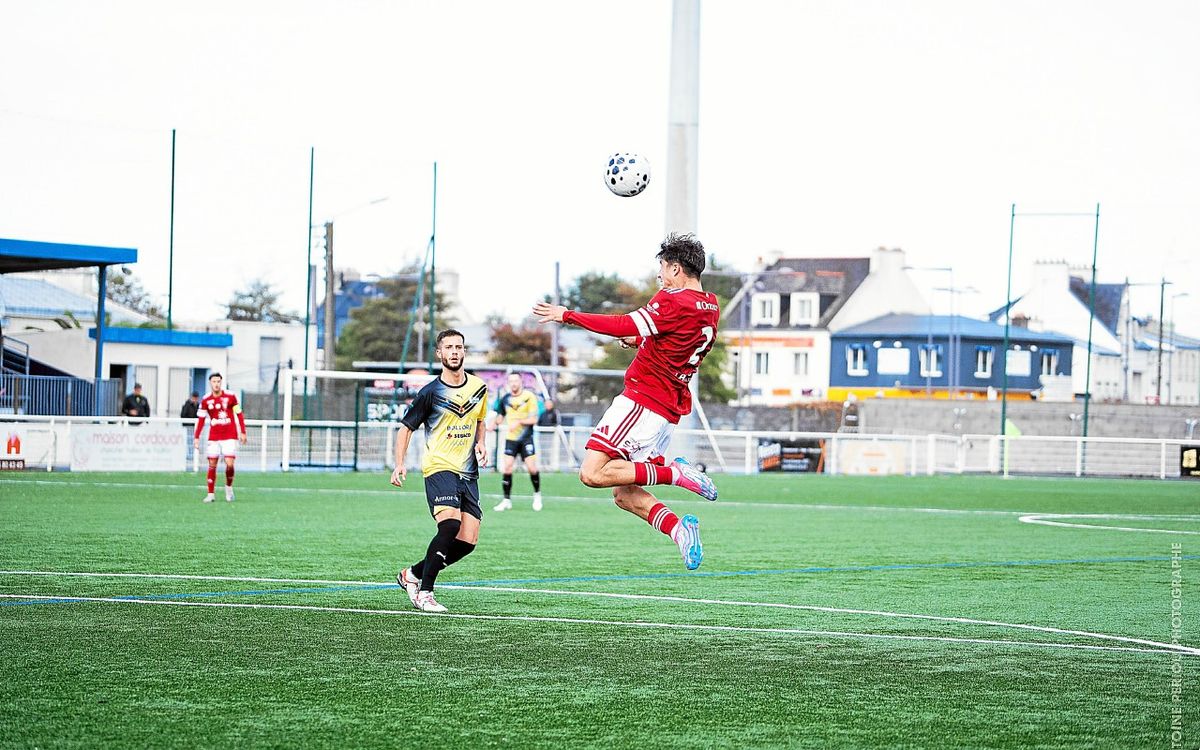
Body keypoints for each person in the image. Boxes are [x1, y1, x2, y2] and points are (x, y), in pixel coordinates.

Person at [533, 233, 720, 570]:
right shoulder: (710, 304)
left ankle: (674, 473)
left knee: (591, 473)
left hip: (643, 402)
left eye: (663, 269)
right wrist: (640, 340)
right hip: (665, 409)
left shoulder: (673, 301)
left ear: (677, 268)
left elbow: (622, 322)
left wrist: (567, 315)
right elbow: (674, 339)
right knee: (623, 494)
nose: (660, 277)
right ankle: (681, 531)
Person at [391, 329, 490, 613]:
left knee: (468, 541)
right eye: (449, 347)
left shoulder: (479, 388)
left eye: (459, 347)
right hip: (438, 466)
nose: (455, 352)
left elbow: (480, 419)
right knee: (449, 525)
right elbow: (405, 428)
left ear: (464, 351)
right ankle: (426, 592)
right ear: (440, 354)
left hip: (468, 471)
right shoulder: (430, 393)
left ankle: (411, 575)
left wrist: (481, 443)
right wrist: (400, 463)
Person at [490, 372, 543, 512]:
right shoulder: (505, 399)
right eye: (511, 381)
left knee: (532, 468)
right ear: (508, 383)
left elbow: (534, 419)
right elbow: (500, 417)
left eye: (516, 381)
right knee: (507, 467)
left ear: (521, 382)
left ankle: (537, 495)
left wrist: (519, 422)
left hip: (526, 438)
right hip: (511, 439)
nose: (513, 383)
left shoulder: (529, 397)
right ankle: (506, 500)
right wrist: (491, 425)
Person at [193, 373, 247, 503]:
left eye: (218, 381)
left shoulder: (230, 396)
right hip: (214, 436)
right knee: (212, 463)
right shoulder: (206, 400)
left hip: (229, 435)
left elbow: (239, 414)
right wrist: (196, 437)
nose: (216, 384)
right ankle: (210, 494)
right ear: (210, 383)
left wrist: (243, 431)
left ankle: (228, 487)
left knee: (229, 463)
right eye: (214, 381)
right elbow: (200, 420)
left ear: (221, 382)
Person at [180, 391, 200, 461]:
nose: (195, 399)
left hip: (195, 427)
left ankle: (193, 456)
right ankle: (188, 456)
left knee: (194, 441)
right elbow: (183, 415)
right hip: (188, 426)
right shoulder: (187, 405)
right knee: (188, 441)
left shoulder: (198, 405)